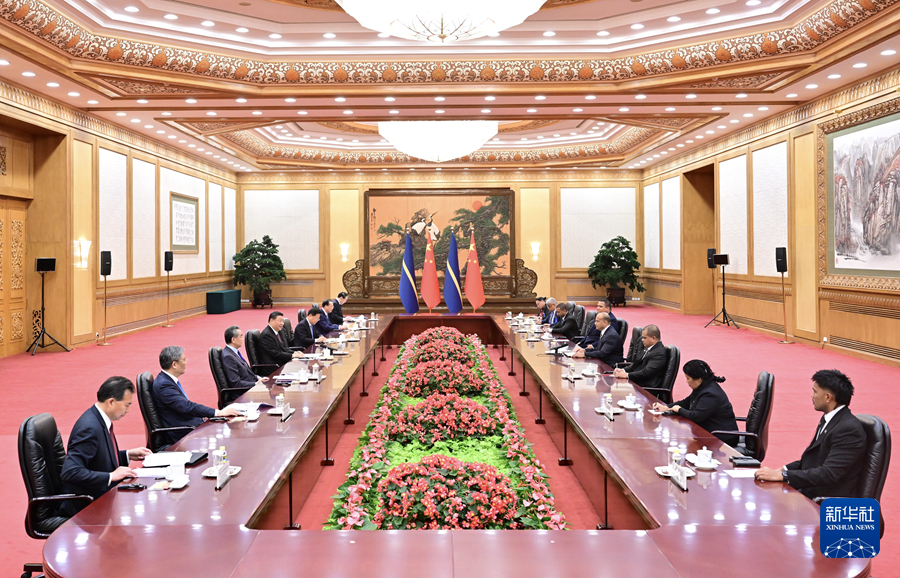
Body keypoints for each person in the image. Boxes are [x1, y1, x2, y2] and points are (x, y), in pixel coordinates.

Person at [755, 370, 867, 499]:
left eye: (815, 391)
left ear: (828, 397)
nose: (811, 395)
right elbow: (810, 461)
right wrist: (781, 470)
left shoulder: (848, 430)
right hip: (811, 490)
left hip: (826, 499)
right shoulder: (830, 419)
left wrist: (783, 476)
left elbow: (829, 474)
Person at [61, 376, 151, 514]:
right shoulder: (89, 428)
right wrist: (110, 476)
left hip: (103, 496)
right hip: (89, 505)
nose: (128, 411)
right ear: (111, 402)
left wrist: (127, 455)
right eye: (127, 405)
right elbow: (70, 472)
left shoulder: (99, 419)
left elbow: (97, 458)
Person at [152, 346, 240, 448]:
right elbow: (186, 406)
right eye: (184, 359)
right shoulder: (164, 385)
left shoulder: (166, 380)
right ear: (174, 364)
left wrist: (205, 415)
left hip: (192, 424)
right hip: (184, 433)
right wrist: (218, 413)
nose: (186, 362)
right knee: (229, 437)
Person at [653, 360, 739, 445]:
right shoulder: (703, 386)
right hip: (709, 432)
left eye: (688, 378)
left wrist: (679, 410)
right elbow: (687, 402)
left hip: (723, 438)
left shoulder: (710, 394)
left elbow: (696, 417)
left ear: (698, 379)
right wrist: (666, 407)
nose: (686, 381)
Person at [613, 325, 667, 390]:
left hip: (645, 388)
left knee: (614, 390)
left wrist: (627, 375)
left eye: (644, 338)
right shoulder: (648, 348)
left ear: (653, 338)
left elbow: (646, 373)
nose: (642, 340)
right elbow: (636, 364)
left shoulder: (659, 353)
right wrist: (623, 370)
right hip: (637, 382)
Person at [221, 325, 264, 396]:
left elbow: (245, 372)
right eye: (241, 336)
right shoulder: (228, 357)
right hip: (243, 394)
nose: (242, 339)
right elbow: (236, 383)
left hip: (250, 386)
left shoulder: (234, 352)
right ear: (233, 340)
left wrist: (257, 377)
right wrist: (255, 384)